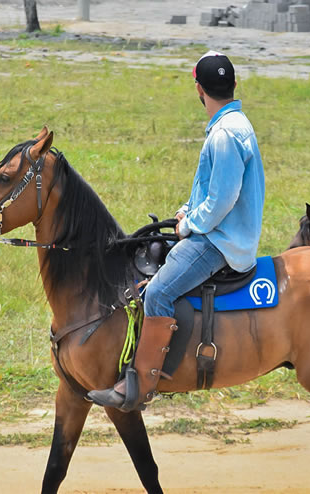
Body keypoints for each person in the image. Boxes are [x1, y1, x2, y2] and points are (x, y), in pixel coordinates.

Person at [88, 51, 265, 411]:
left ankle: (140, 385)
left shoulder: (223, 135)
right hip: (219, 231)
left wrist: (190, 224)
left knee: (158, 292)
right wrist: (187, 209)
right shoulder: (236, 124)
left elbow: (221, 200)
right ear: (233, 84)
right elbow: (209, 190)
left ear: (198, 89)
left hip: (218, 242)